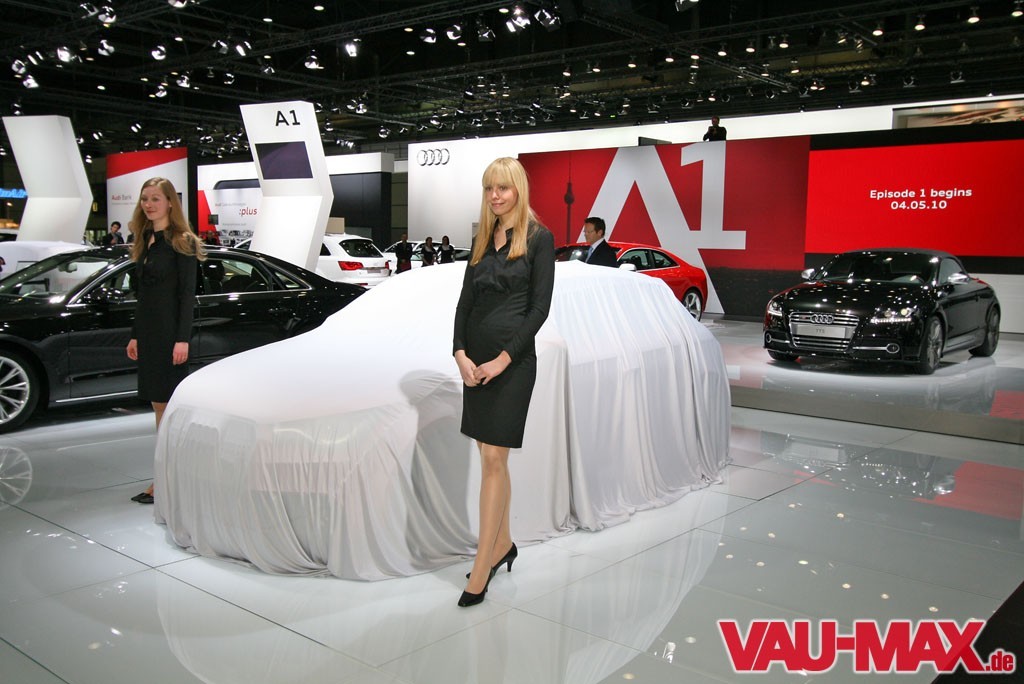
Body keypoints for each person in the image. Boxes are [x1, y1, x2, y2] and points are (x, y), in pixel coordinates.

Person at [453, 157, 555, 608]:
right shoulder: (484, 237)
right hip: (474, 363)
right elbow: (465, 302)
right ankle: (503, 544)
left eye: (503, 188)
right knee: (490, 456)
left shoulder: (538, 238)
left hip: (511, 364)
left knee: (494, 457)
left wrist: (502, 359)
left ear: (518, 190)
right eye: (489, 188)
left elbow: (539, 309)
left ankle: (482, 564)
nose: (495, 195)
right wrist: (460, 352)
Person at [125, 178, 206, 504]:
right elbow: (144, 297)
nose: (148, 204)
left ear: (170, 202)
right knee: (159, 406)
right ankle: (165, 476)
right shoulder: (145, 240)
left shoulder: (182, 242)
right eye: (145, 198)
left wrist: (182, 339)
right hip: (149, 333)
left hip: (170, 334)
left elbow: (186, 296)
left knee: (167, 408)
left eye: (155, 198)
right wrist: (135, 335)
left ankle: (166, 479)